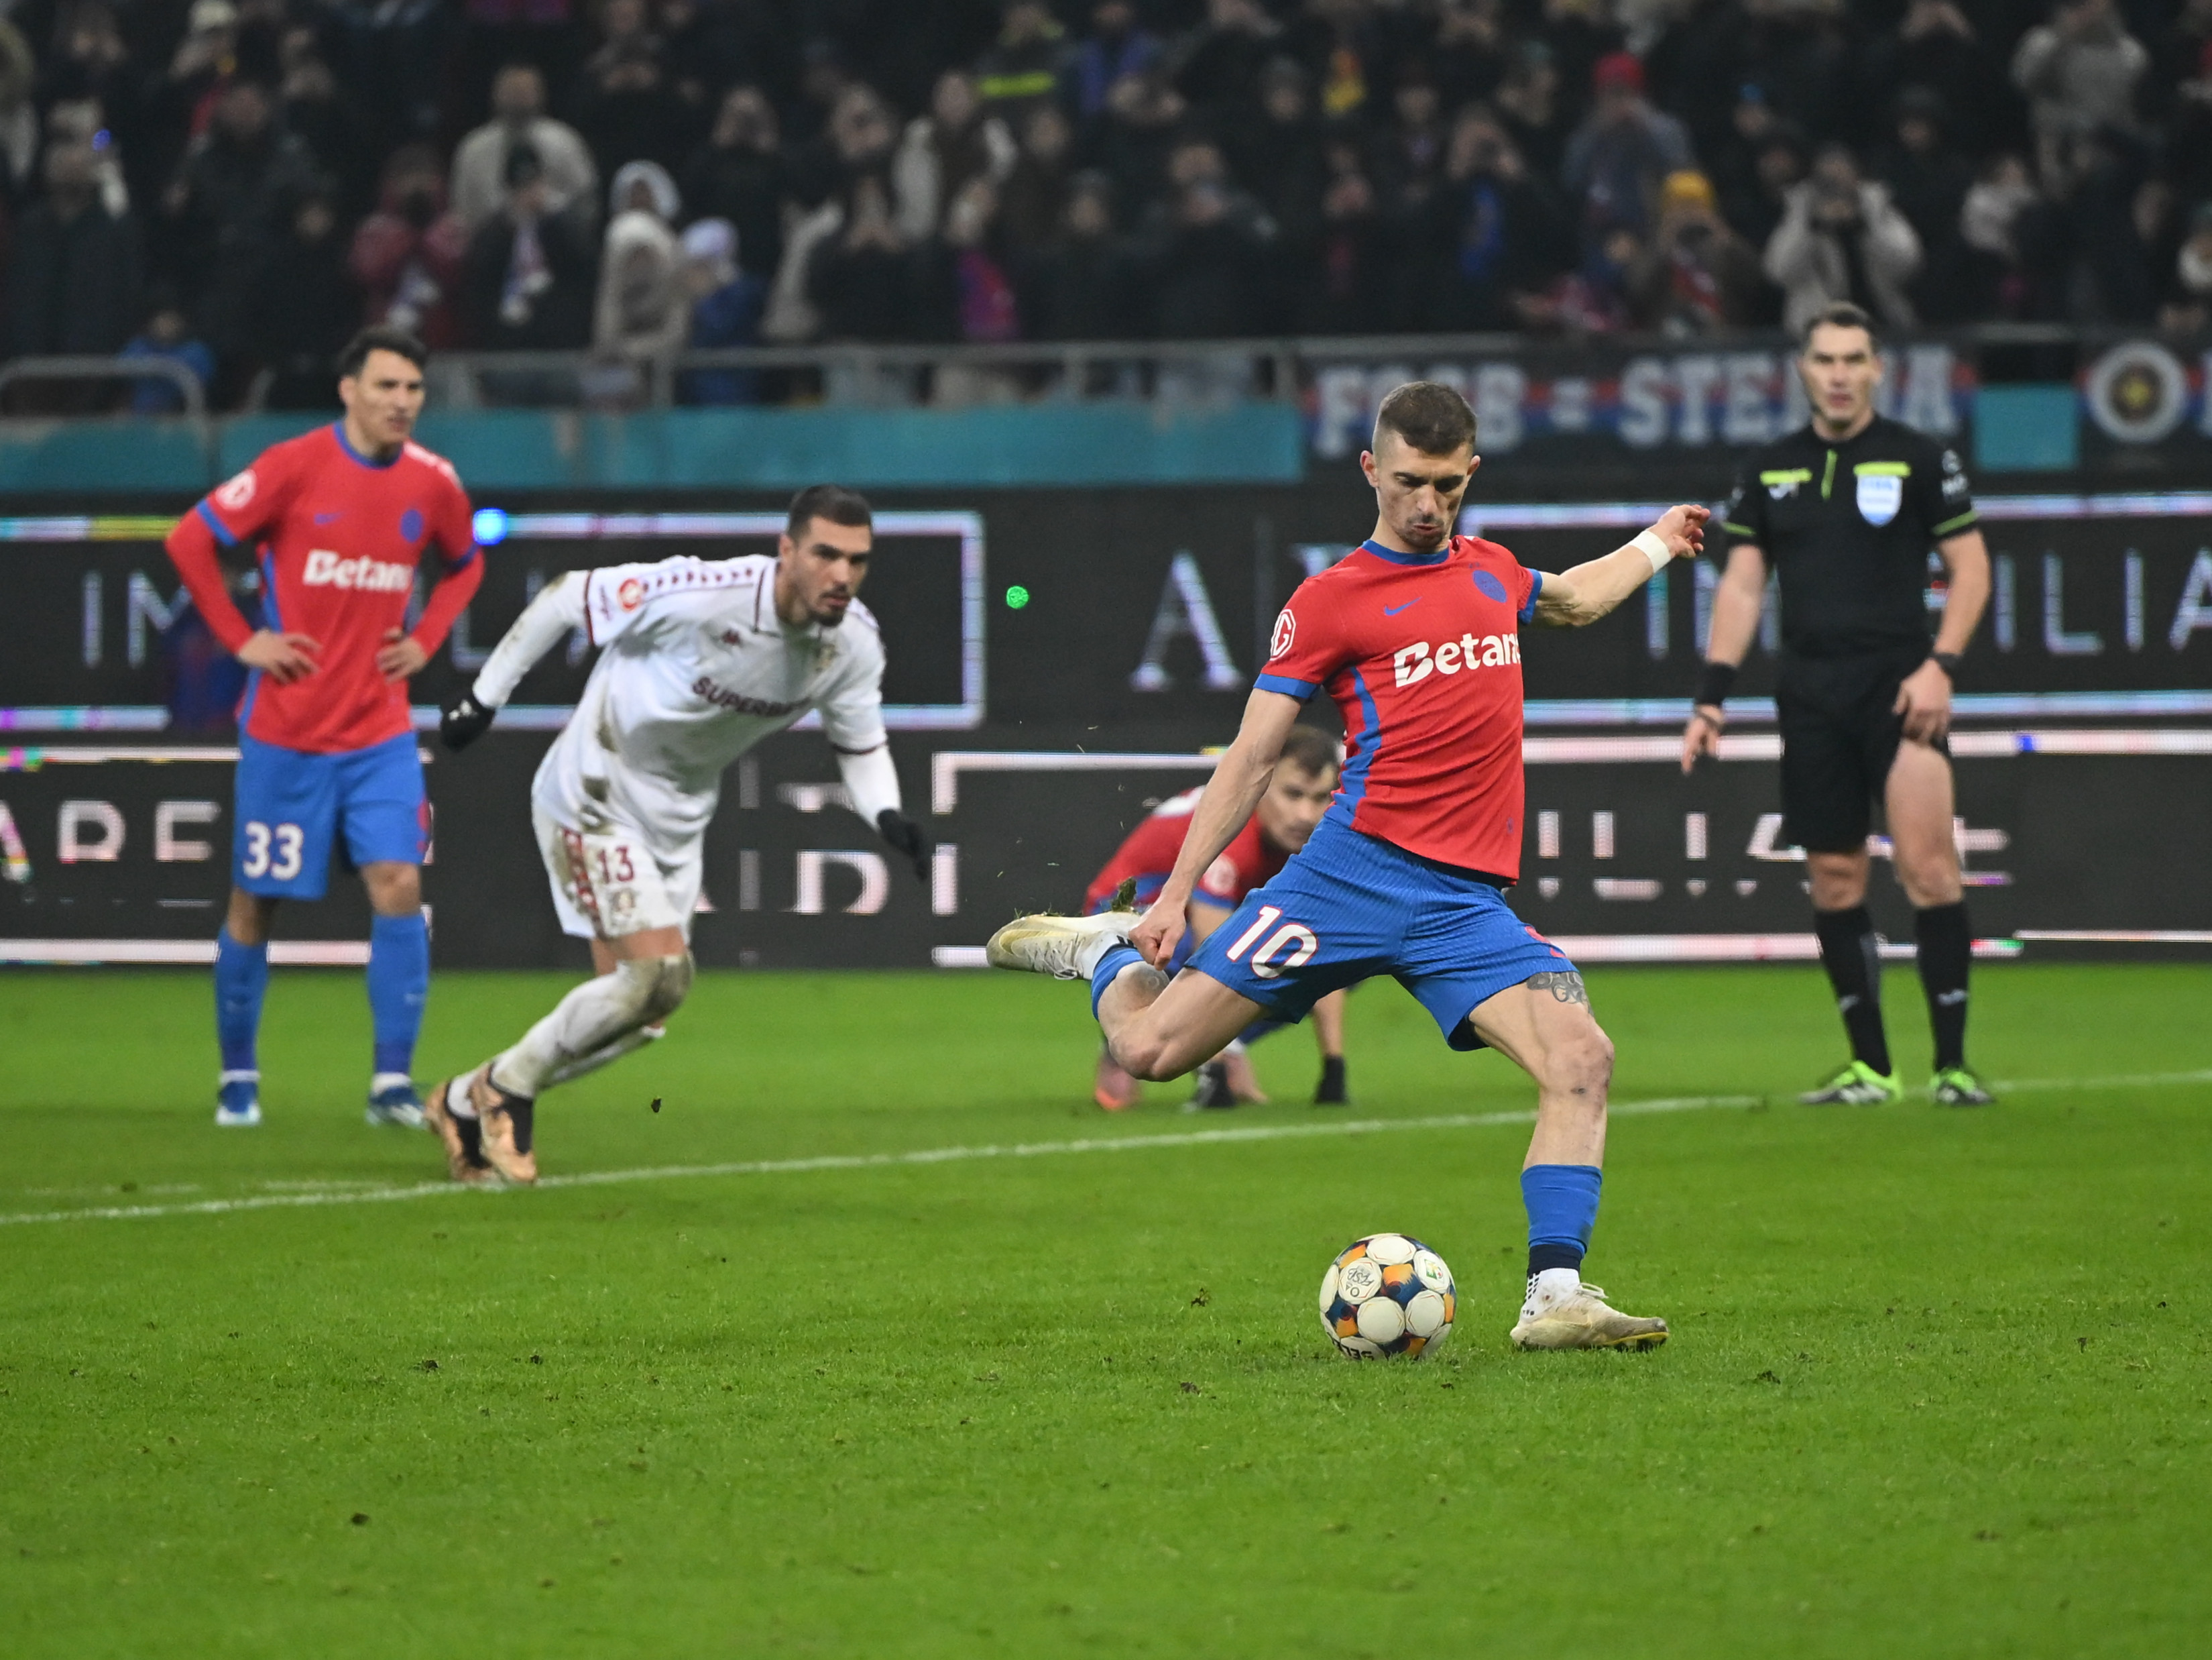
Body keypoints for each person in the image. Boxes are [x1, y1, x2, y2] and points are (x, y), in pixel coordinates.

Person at [988, 381, 1706, 1352]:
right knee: (1151, 1052)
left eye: (1446, 485)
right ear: (1370, 469)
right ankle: (1101, 957)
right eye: (1408, 481)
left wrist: (1660, 540)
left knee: (1582, 1058)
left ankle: (1554, 1293)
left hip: (1461, 904)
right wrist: (1166, 897)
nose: (1426, 504)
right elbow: (1249, 757)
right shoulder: (1327, 602)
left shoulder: (1492, 570)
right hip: (1347, 879)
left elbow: (1575, 598)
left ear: (1469, 475)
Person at [428, 486, 933, 1186]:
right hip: (596, 786)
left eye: (857, 560)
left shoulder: (850, 645)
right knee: (658, 976)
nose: (841, 575)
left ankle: (461, 1098)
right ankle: (504, 1091)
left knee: (643, 1012)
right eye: (825, 554)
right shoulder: (705, 592)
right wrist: (482, 700)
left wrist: (886, 817)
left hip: (679, 816)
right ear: (786, 551)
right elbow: (566, 596)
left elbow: (859, 743)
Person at [160, 326, 482, 1129]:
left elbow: (466, 561)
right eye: (386, 387)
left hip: (378, 734)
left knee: (400, 884)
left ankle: (391, 1085)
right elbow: (190, 540)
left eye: (413, 389)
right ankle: (238, 1077)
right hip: (287, 732)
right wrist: (244, 641)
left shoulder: (433, 482)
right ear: (349, 391)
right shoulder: (293, 467)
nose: (402, 402)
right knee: (256, 902)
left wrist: (427, 639)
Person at [1682, 302, 1995, 1109]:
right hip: (1810, 693)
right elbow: (1743, 586)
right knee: (1831, 875)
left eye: (1854, 359)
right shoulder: (1768, 467)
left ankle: (1953, 1067)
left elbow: (1971, 569)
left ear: (1876, 368)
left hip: (1899, 685)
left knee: (1928, 866)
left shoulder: (1917, 457)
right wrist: (1711, 698)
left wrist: (1941, 667)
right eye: (1824, 359)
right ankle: (1870, 1069)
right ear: (1802, 369)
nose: (1839, 374)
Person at [1082, 726, 1347, 1113]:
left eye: (1320, 798)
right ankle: (1133, 1026)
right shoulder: (1232, 824)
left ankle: (1208, 1040)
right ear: (1262, 783)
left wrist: (1333, 1071)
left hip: (1191, 923)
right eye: (1292, 794)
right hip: (1123, 919)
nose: (1305, 815)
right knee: (1217, 953)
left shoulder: (1317, 837)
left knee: (1336, 955)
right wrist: (1216, 1074)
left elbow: (1325, 949)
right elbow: (1214, 950)